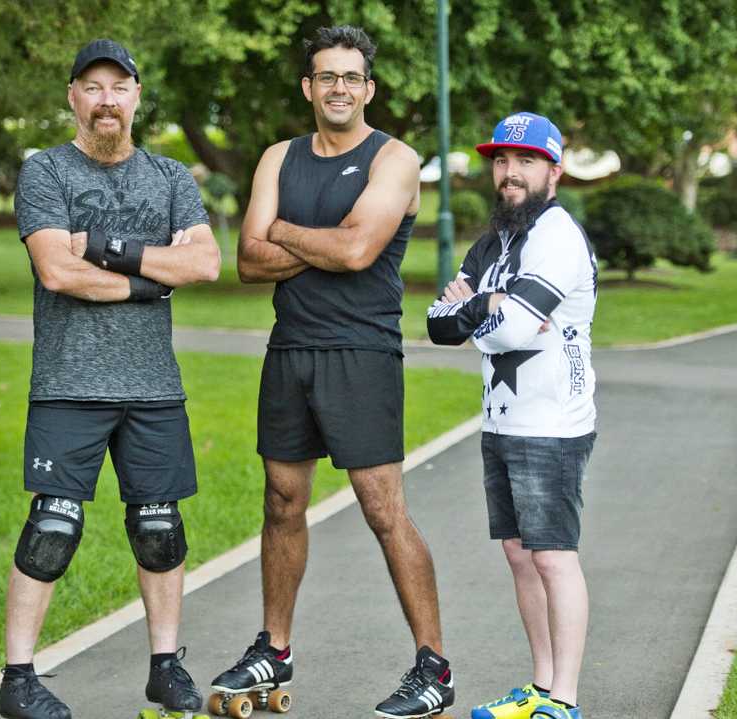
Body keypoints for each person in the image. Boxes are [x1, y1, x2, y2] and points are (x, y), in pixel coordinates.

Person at [209, 25, 454, 719]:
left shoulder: (396, 159)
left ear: (368, 89)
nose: (339, 88)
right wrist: (312, 238)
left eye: (352, 77)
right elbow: (248, 262)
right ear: (308, 87)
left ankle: (434, 664)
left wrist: (283, 229)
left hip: (362, 352)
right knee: (281, 501)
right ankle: (274, 649)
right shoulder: (278, 158)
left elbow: (355, 253)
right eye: (327, 76)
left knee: (383, 509)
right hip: (291, 350)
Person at [0, 38, 221, 719]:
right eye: (92, 87)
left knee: (160, 528)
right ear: (73, 97)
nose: (106, 100)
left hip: (153, 386)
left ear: (136, 98)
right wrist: (147, 283)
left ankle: (164, 666)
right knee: (52, 528)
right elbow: (54, 272)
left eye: (118, 87)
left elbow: (207, 263)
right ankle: (17, 678)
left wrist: (98, 247)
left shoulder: (172, 178)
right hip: (69, 380)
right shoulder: (46, 173)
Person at [426, 112, 598, 719]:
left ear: (554, 169)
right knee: (520, 556)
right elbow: (434, 324)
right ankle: (541, 685)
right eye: (501, 160)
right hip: (501, 422)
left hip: (551, 424)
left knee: (553, 556)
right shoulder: (494, 240)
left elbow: (519, 325)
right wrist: (487, 305)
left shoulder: (556, 235)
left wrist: (475, 309)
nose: (509, 172)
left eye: (525, 161)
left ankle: (565, 701)